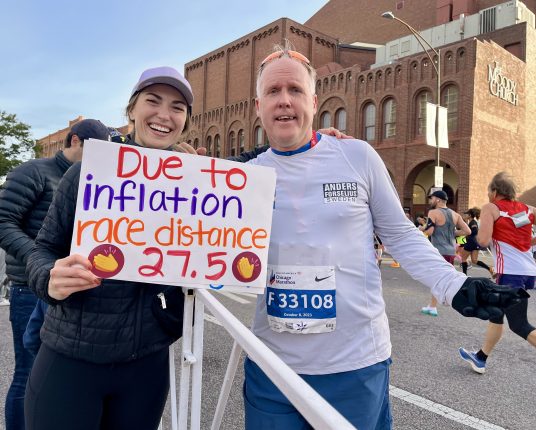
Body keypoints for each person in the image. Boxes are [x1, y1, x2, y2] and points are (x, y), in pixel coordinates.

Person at [242, 46, 527, 430]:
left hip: (354, 364)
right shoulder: (242, 178)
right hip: (272, 367)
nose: (284, 100)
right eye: (273, 91)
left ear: (314, 101)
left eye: (295, 89)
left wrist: (455, 287)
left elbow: (399, 234)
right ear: (258, 106)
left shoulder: (356, 156)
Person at [0, 119, 110, 430]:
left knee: (54, 376)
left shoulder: (92, 178)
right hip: (29, 287)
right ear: (75, 141)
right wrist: (41, 262)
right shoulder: (33, 172)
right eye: (95, 150)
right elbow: (3, 221)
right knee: (28, 372)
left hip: (69, 291)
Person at [459, 172, 536, 374]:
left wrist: (469, 241)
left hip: (510, 272)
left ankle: (480, 358)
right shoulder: (527, 209)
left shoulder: (491, 208)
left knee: (519, 325)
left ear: (495, 191)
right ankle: (480, 358)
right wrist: (528, 241)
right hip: (528, 272)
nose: (488, 195)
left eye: (488, 191)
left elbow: (483, 241)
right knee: (496, 313)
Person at [420, 190, 470, 316]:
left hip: (438, 251)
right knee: (441, 278)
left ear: (438, 200)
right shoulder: (455, 214)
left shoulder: (433, 212)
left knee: (436, 279)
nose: (430, 201)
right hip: (450, 252)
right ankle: (432, 305)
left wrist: (421, 228)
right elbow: (467, 231)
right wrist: (452, 233)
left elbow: (430, 231)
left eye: (432, 198)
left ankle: (434, 306)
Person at [459, 207, 494, 277]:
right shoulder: (470, 222)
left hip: (470, 243)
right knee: (474, 260)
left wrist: (467, 234)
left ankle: (464, 276)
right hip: (474, 243)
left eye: (466, 214)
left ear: (469, 215)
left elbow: (474, 231)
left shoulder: (473, 222)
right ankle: (489, 269)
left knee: (463, 259)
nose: (465, 215)